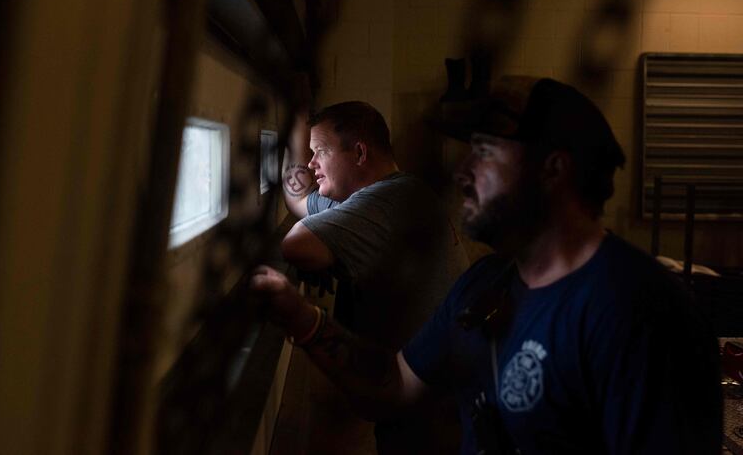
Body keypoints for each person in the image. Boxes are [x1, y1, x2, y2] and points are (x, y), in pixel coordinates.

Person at [254, 77, 722, 454]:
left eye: (486, 152)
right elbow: (395, 383)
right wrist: (304, 320)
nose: (464, 172)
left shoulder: (643, 310)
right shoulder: (486, 285)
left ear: (553, 170)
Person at [279, 100, 468, 453]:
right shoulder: (376, 198)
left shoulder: (389, 202)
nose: (311, 163)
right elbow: (299, 199)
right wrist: (296, 123)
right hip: (418, 394)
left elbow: (296, 245)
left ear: (360, 153)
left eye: (319, 152)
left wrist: (326, 248)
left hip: (429, 414)